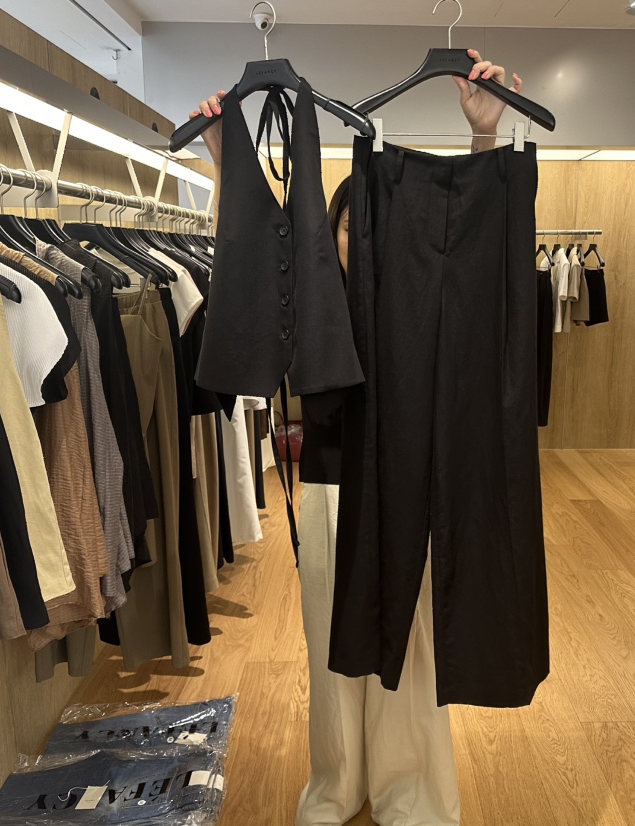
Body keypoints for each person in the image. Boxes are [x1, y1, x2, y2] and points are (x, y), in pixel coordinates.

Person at [193, 50, 524, 826]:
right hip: (333, 485)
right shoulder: (311, 303)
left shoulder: (418, 299)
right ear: (331, 235)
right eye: (346, 226)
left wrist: (483, 138)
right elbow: (252, 271)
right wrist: (225, 168)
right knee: (331, 647)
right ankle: (338, 788)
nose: (358, 239)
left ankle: (410, 793)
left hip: (411, 485)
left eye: (369, 227)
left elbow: (473, 257)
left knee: (412, 648)